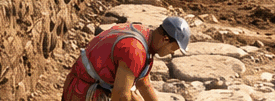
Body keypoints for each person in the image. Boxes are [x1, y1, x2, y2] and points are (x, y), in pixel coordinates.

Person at [62, 15, 190, 101]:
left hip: (90, 87)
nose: (172, 53)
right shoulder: (135, 50)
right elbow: (121, 95)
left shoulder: (145, 37)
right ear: (165, 39)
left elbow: (143, 84)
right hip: (82, 92)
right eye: (173, 48)